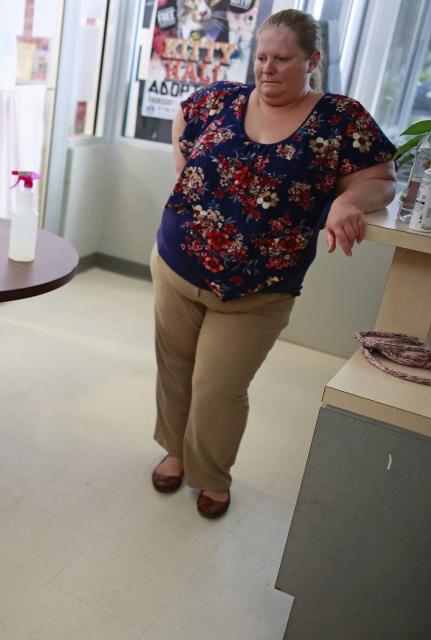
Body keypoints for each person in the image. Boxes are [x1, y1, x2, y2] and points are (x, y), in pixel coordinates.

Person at [149, 9, 397, 519]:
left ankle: (211, 475)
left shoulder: (340, 118)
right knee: (176, 368)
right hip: (177, 262)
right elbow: (183, 114)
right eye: (261, 57)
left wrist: (348, 203)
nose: (267, 68)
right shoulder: (221, 99)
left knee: (218, 387)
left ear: (312, 60)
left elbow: (381, 178)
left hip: (258, 290)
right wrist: (181, 169)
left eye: (282, 59)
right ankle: (174, 451)